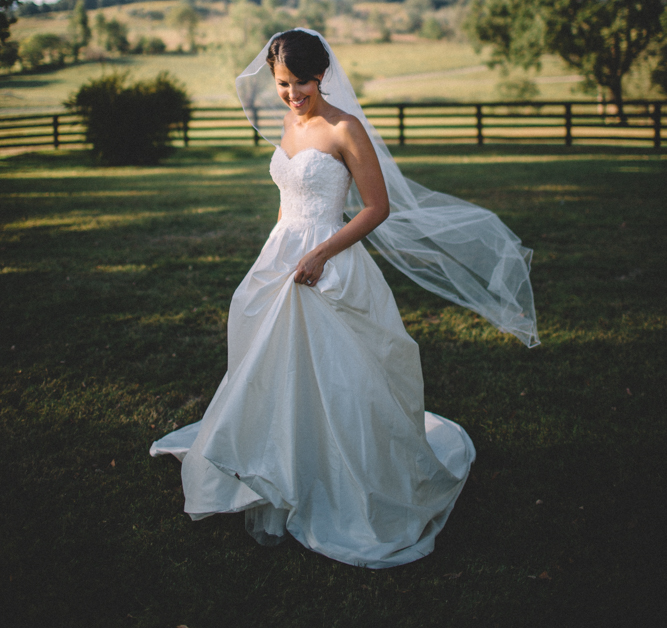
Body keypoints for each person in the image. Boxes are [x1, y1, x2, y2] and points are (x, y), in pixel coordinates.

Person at [151, 29, 538, 568]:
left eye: (300, 83)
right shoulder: (288, 121)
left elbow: (375, 208)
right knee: (271, 367)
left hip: (329, 259)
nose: (291, 95)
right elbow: (289, 198)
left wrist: (321, 255)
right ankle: (277, 466)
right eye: (282, 84)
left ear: (322, 75)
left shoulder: (345, 128)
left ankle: (343, 480)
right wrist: (279, 254)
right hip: (282, 255)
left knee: (342, 377)